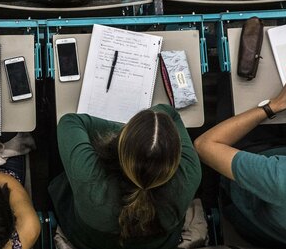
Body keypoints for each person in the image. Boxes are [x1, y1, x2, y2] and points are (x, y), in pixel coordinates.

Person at [49, 106, 201, 249]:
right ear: (176, 159)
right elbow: (169, 113)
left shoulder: (90, 179)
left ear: (122, 144)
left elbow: (70, 121)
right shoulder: (189, 174)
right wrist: (140, 137)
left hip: (86, 242)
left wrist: (130, 131)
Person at [194, 75, 286, 249]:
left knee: (235, 87)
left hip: (240, 187)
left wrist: (275, 104)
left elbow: (204, 145)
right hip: (277, 225)